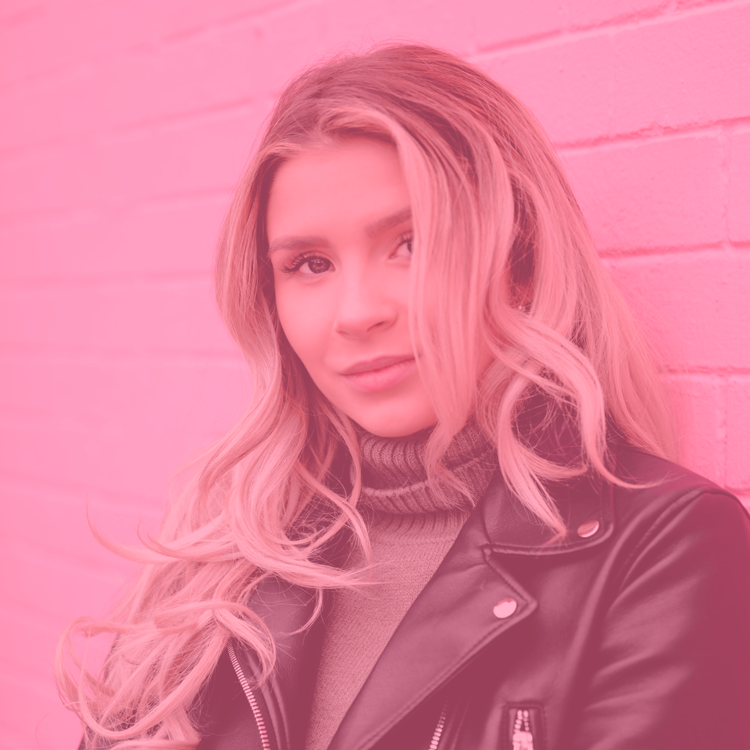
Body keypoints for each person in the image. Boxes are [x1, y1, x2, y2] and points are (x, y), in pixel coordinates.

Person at [58, 43, 750, 750]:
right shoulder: (222, 548)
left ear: (521, 261)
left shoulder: (665, 547)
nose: (357, 313)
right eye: (311, 264)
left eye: (412, 244)